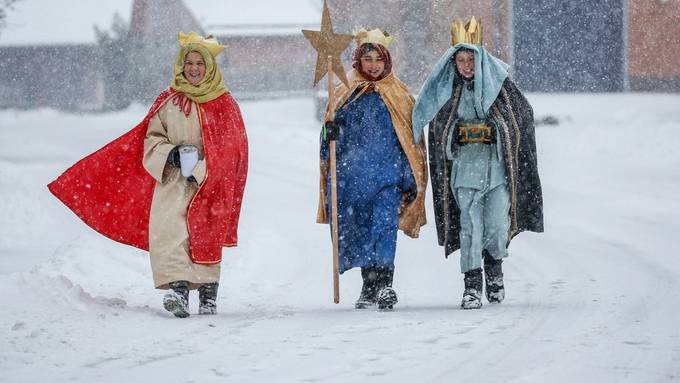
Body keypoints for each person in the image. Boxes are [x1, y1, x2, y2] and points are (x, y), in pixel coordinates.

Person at [48, 32, 248, 318]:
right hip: (172, 182)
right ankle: (177, 292)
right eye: (188, 62)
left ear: (210, 67)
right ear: (180, 65)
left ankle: (208, 294)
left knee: (205, 235)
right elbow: (151, 138)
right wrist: (172, 154)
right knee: (170, 232)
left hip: (208, 183)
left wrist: (204, 168)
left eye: (199, 63)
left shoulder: (224, 104)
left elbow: (233, 149)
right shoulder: (169, 101)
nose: (193, 68)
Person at [412, 17, 543, 309]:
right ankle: (472, 285)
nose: (467, 66)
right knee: (470, 227)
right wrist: (457, 135)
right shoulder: (449, 92)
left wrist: (494, 131)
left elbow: (518, 120)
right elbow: (439, 130)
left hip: (497, 171)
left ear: (480, 59)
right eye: (461, 60)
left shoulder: (501, 88)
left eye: (471, 59)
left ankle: (494, 270)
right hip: (464, 172)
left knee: (497, 226)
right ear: (454, 61)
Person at [317, 28, 428, 310]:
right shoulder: (344, 92)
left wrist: (409, 176)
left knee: (384, 228)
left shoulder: (399, 94)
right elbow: (329, 145)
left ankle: (385, 285)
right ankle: (369, 286)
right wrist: (329, 133)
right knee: (361, 231)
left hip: (388, 179)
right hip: (352, 180)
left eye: (378, 58)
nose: (374, 65)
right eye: (368, 58)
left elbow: (410, 141)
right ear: (358, 60)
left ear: (387, 60)